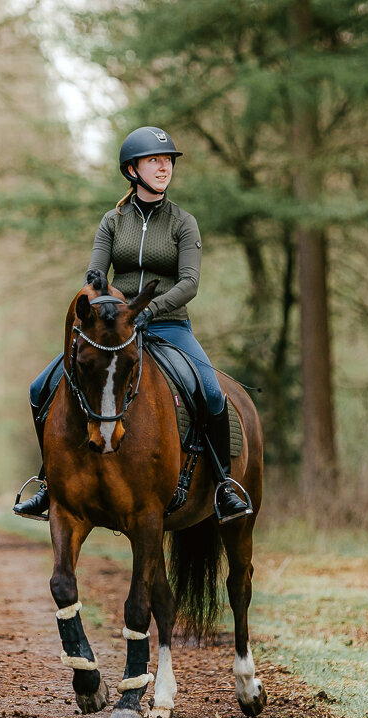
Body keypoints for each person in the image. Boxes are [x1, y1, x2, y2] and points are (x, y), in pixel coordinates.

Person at [13, 125, 252, 524]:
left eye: (167, 161)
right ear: (132, 169)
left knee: (212, 393)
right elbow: (96, 269)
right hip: (115, 329)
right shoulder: (113, 220)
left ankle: (225, 486)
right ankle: (48, 483)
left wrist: (151, 311)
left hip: (170, 327)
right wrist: (104, 297)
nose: (164, 168)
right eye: (154, 161)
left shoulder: (183, 222)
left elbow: (190, 282)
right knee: (40, 388)